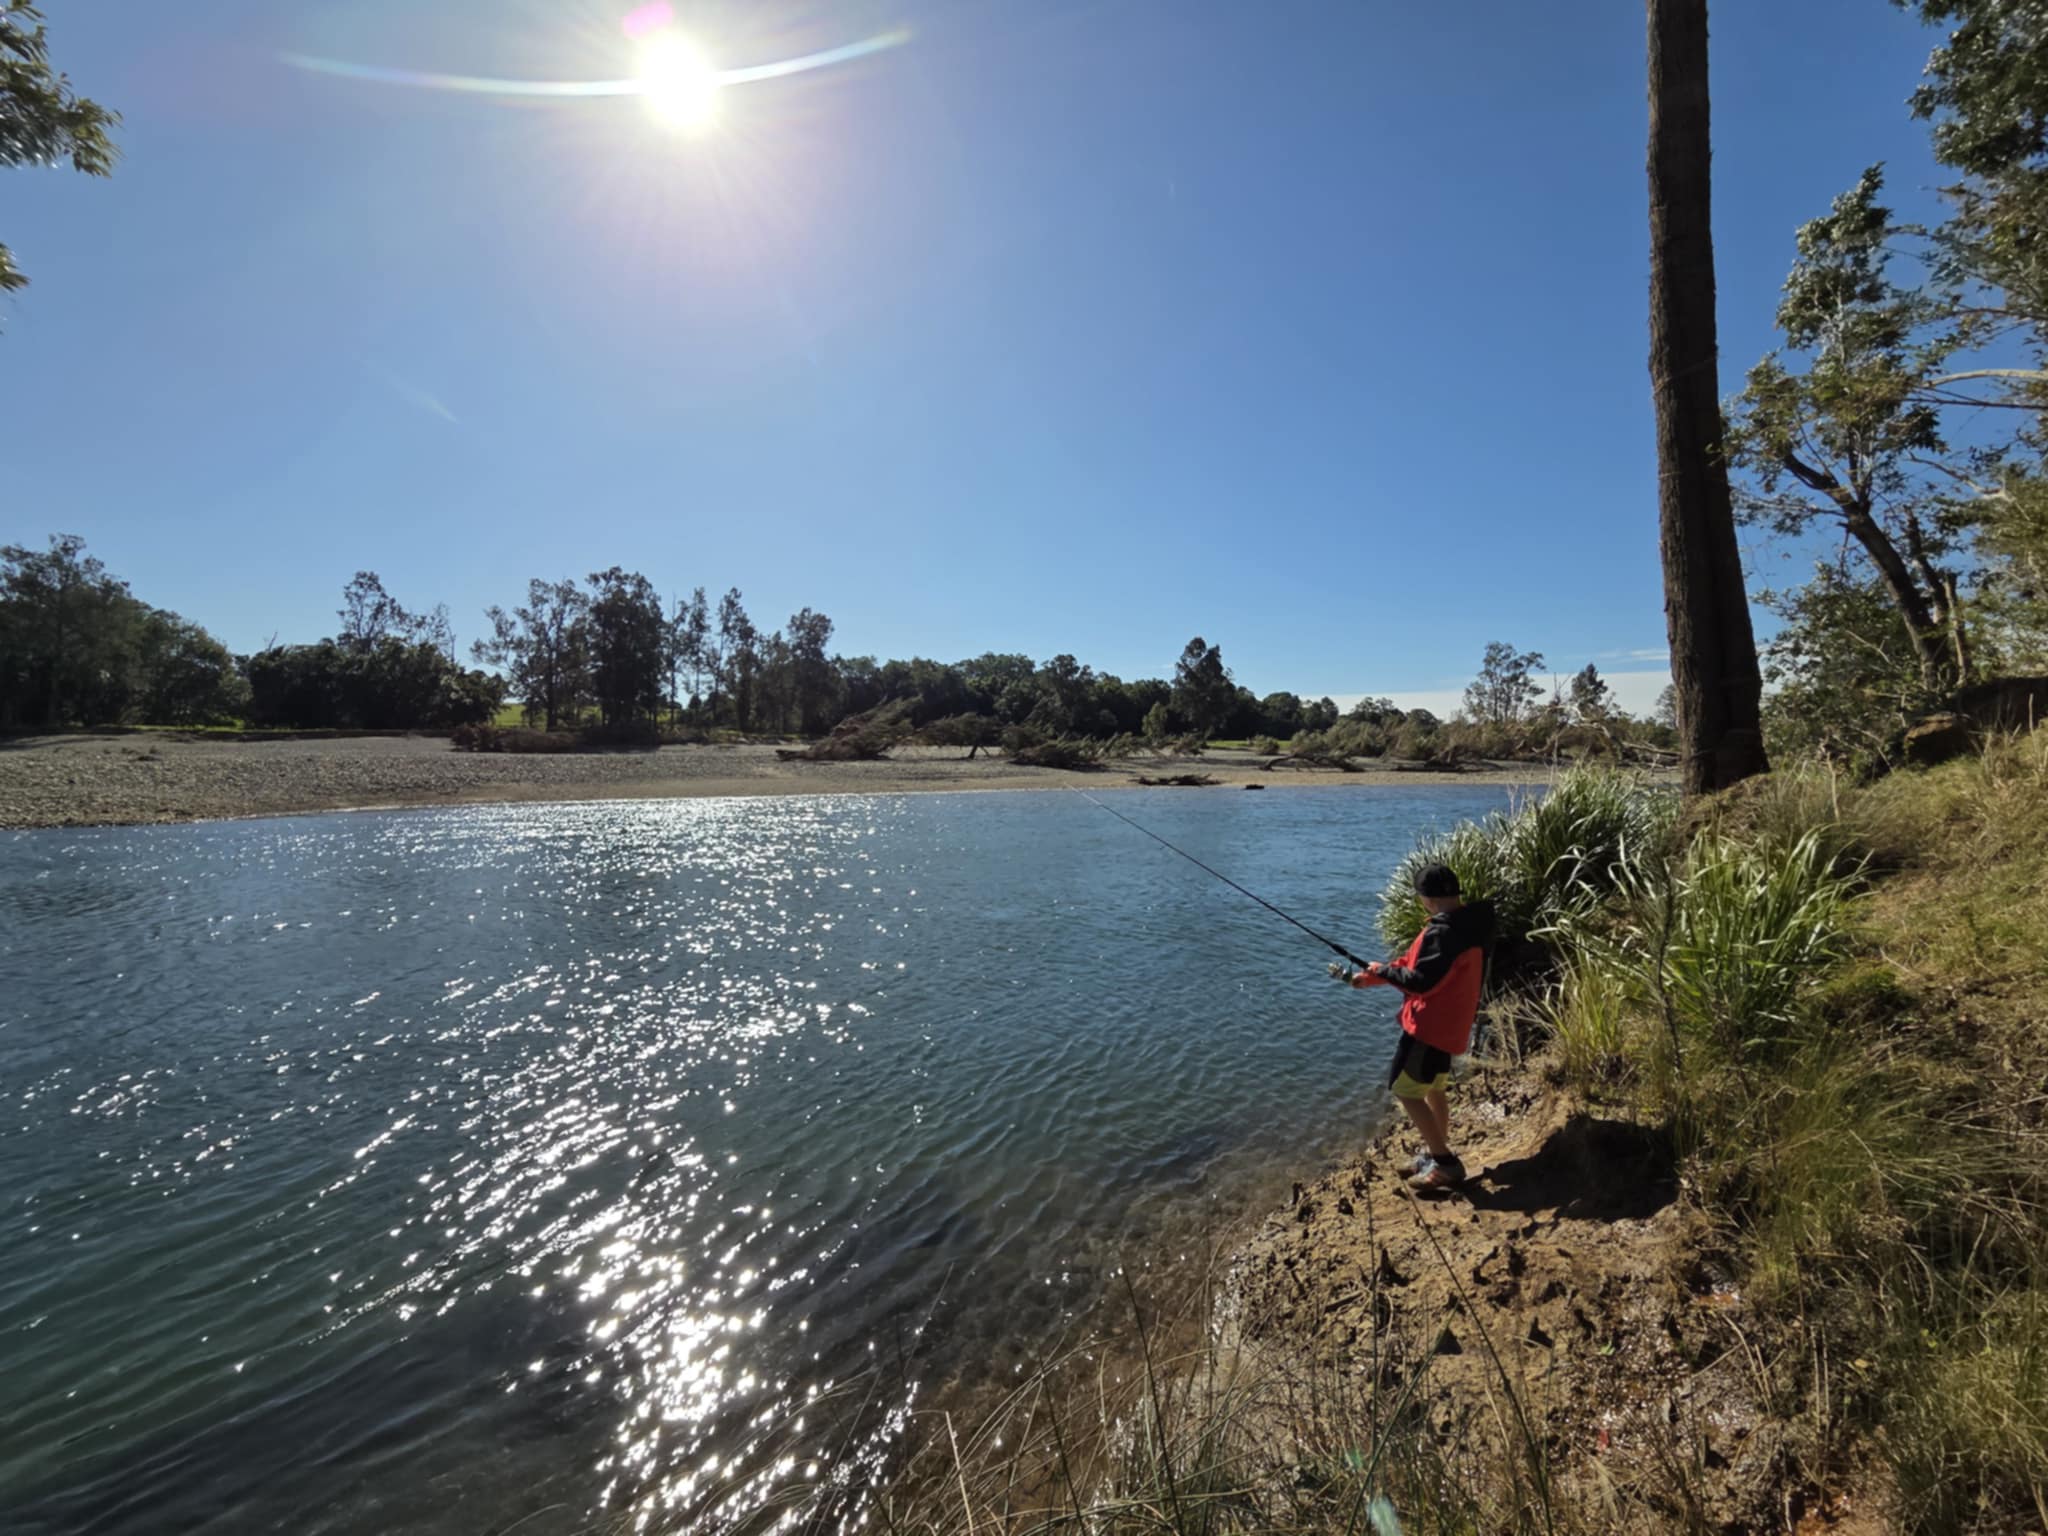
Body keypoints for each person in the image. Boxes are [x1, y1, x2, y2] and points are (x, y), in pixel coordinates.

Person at [1328, 863, 1494, 1191]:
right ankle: (1436, 1154)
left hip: (1428, 1029)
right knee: (1433, 1088)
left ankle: (1445, 1163)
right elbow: (1413, 964)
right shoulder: (1467, 923)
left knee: (1404, 1090)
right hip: (1451, 1027)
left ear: (1426, 899)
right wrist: (1373, 977)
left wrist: (1383, 971)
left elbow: (1420, 983)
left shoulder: (1443, 932)